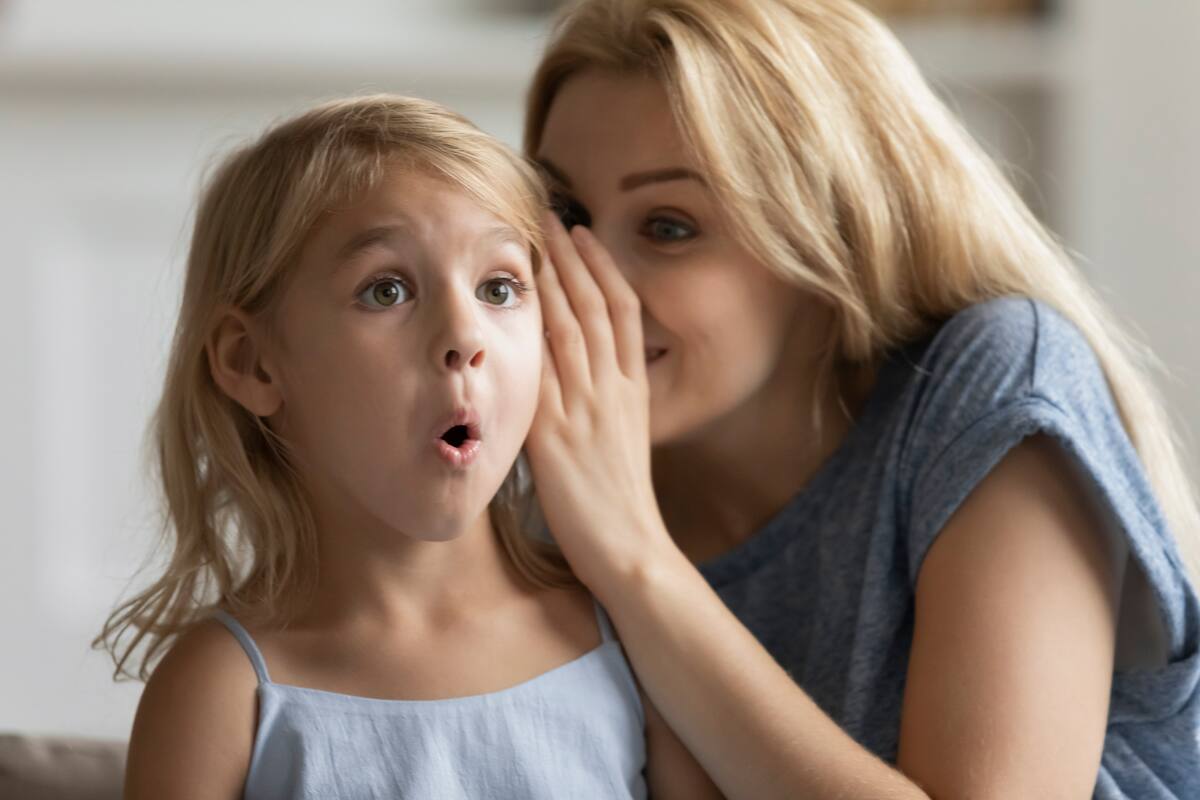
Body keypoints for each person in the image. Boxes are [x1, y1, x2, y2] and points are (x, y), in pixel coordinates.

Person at [519, 1, 1200, 797]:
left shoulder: (993, 384)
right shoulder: (545, 494)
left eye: (669, 227)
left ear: (830, 239)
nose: (585, 283)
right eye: (565, 217)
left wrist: (634, 559)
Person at [95, 94, 722, 799]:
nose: (464, 335)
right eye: (387, 290)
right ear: (253, 363)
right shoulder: (222, 692)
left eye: (500, 286)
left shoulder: (629, 636)